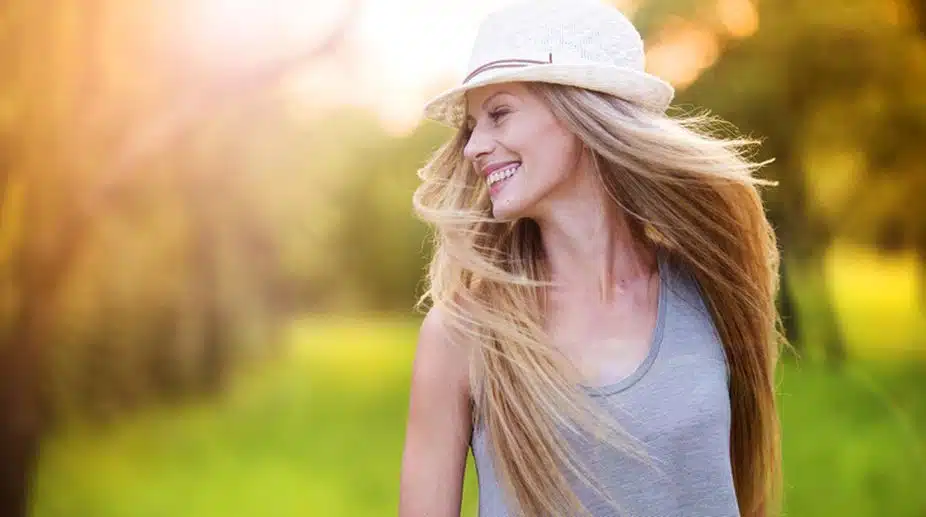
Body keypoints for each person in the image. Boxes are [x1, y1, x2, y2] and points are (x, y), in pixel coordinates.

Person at [398, 0, 783, 516]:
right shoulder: (461, 335)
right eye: (471, 127)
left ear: (580, 113)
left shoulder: (711, 288)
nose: (474, 147)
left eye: (499, 114)